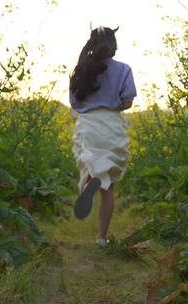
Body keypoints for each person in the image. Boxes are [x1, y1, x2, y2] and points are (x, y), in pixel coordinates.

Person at [69, 26, 137, 246]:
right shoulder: (124, 69)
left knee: (92, 165)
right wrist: (114, 102)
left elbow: (75, 104)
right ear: (113, 45)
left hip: (88, 125)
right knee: (108, 186)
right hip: (111, 125)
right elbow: (127, 101)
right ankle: (101, 238)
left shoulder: (81, 70)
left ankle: (90, 181)